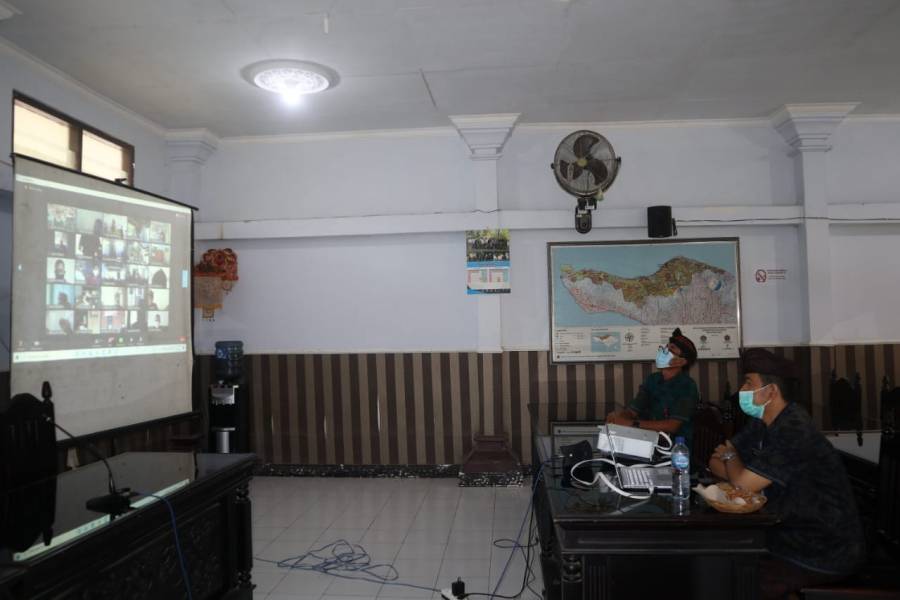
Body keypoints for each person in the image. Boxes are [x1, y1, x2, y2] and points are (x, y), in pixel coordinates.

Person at [708, 349, 865, 599]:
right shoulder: (762, 423)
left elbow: (740, 479)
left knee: (734, 580)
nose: (742, 389)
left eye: (749, 382)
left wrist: (734, 464)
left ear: (771, 391)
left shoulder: (794, 428)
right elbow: (715, 462)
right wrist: (736, 469)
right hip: (785, 534)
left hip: (819, 549)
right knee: (719, 564)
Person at [606, 327, 699, 447]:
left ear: (682, 361)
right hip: (646, 442)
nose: (664, 350)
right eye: (666, 347)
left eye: (672, 349)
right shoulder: (653, 379)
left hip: (674, 448)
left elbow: (672, 426)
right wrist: (618, 419)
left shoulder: (687, 386)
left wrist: (631, 424)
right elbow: (632, 411)